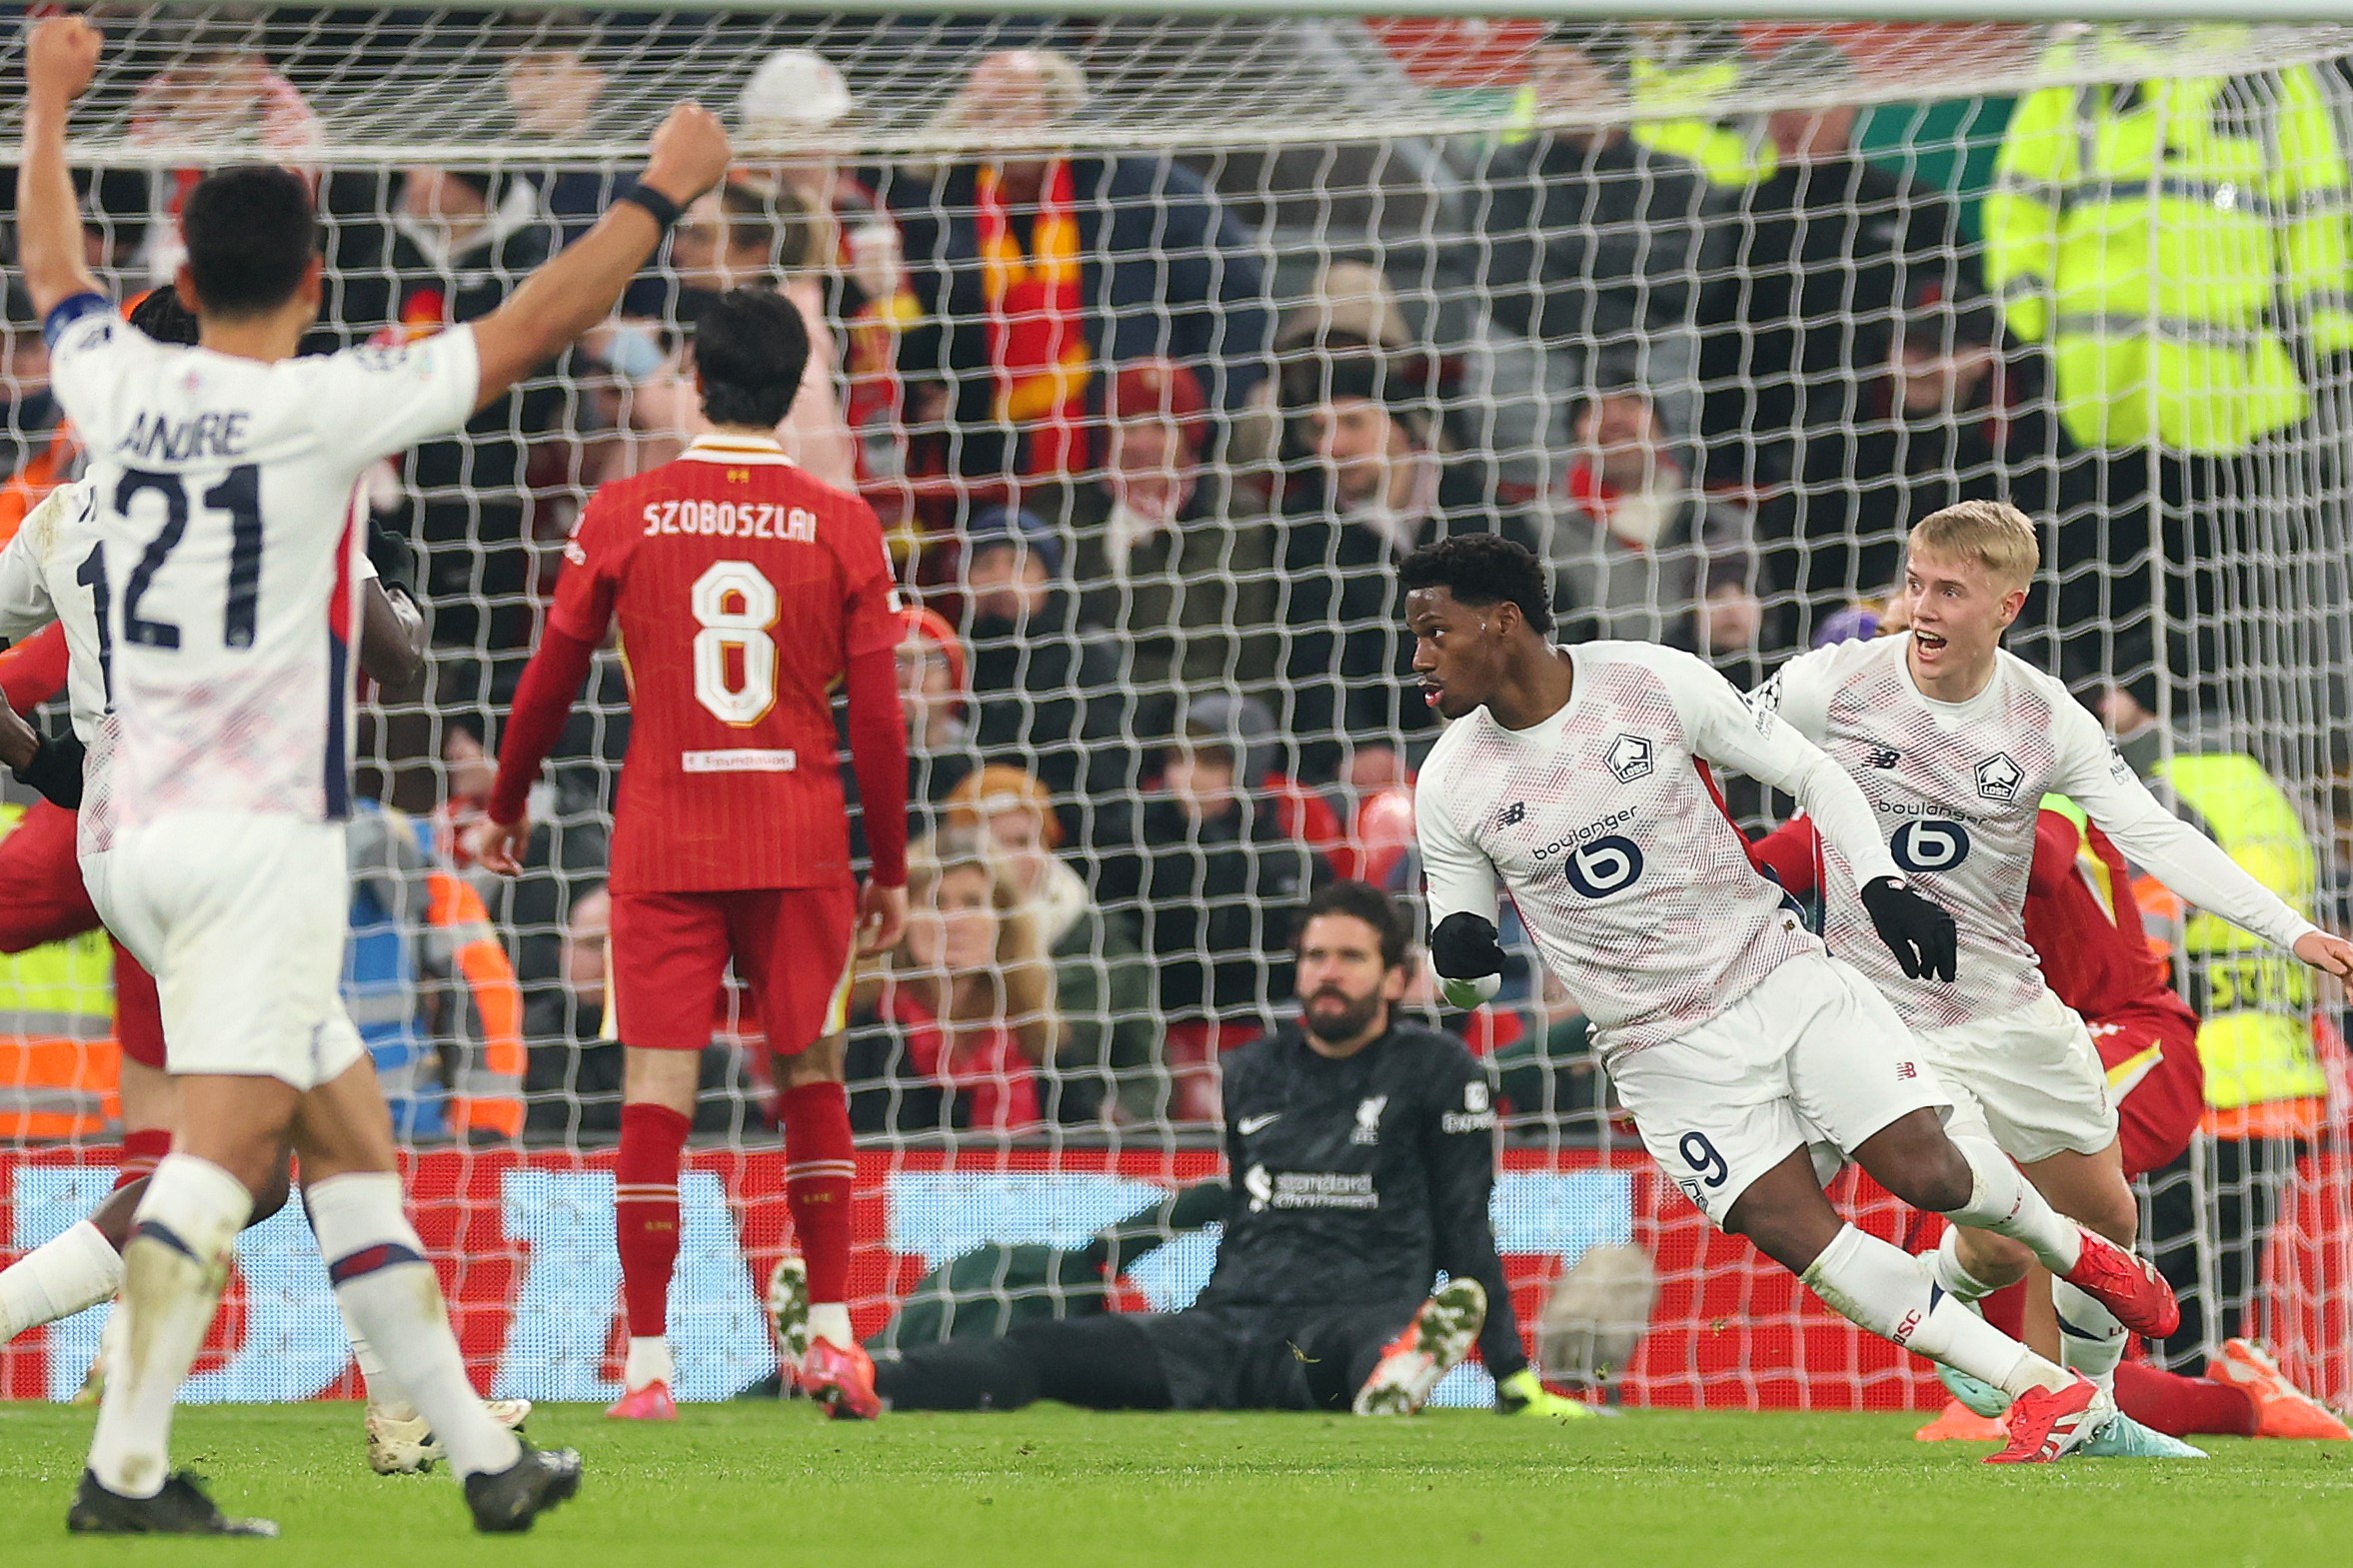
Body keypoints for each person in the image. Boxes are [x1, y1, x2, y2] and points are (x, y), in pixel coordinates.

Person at [17, 14, 728, 1533]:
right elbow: (539, 317)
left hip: (121, 825)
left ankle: (477, 1455)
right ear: (320, 282)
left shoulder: (112, 403)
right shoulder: (326, 408)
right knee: (225, 1164)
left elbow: (58, 272)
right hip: (246, 837)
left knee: (346, 1149)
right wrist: (660, 192)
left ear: (184, 284)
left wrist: (55, 105)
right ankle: (123, 1471)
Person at [1404, 532, 2179, 1466]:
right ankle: (2039, 1387)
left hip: (1778, 972)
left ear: (1503, 621)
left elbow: (1815, 772)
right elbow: (1468, 975)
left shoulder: (1651, 681)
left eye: (1433, 633)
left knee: (1932, 1174)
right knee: (1804, 1238)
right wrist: (1459, 958)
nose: (1418, 659)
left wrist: (1884, 883)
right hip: (1659, 1051)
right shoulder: (1450, 781)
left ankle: (2074, 1248)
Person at [0, 284, 527, 1480]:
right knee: (285, 1146)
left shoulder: (70, 512)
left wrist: (47, 761)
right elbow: (397, 664)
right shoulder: (273, 488)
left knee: (272, 1162)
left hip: (116, 836)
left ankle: (409, 1415)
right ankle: (425, 1424)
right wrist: (350, 534)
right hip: (223, 831)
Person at [1749, 500, 2353, 1452]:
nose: (1925, 608)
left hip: (2020, 1007)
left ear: (2007, 604)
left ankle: (2086, 1398)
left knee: (2103, 1216)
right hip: (1886, 1014)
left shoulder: (2041, 717)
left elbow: (2146, 831)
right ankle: (2047, 1386)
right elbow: (1709, 749)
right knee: (1992, 1206)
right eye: (1916, 585)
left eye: (1951, 589)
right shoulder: (1832, 685)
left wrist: (2290, 929)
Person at [470, 287, 910, 1427]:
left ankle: (649, 1367)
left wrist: (508, 803)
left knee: (657, 1095)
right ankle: (834, 1342)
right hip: (801, 833)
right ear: (798, 387)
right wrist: (893, 866)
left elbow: (549, 678)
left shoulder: (623, 511)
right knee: (809, 1076)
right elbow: (878, 720)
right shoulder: (841, 520)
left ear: (696, 383)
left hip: (664, 833)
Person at [869, 881, 1587, 1420]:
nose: (1326, 972)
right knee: (1037, 1350)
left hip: (1349, 1317)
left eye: (1348, 957)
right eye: (1314, 956)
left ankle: (1396, 1374)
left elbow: (1466, 1227)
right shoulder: (1253, 1071)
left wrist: (1510, 1372)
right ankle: (871, 1382)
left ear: (1397, 976)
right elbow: (1238, 1196)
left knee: (1366, 1352)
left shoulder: (1436, 1070)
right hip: (1223, 1326)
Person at [884, 48, 1273, 483]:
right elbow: (937, 328)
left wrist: (1198, 417)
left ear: (1058, 110)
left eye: (1017, 110)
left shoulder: (1143, 189)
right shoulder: (943, 203)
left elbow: (1236, 302)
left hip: (1137, 456)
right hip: (992, 460)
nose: (1002, 127)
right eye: (987, 111)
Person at [946, 765, 1154, 1123]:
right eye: (993, 843)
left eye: (1025, 842)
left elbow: (1148, 1074)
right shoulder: (928, 947)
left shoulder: (1110, 950)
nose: (1012, 858)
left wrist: (1116, 1116)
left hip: (1077, 1145)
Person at [843, 828, 1058, 1137]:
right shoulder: (862, 1030)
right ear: (902, 919)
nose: (953, 922)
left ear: (1004, 921)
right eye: (936, 903)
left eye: (972, 902)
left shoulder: (1037, 1033)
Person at [1536, 374, 1760, 657]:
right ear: (1574, 438)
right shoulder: (1540, 532)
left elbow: (1773, 635)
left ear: (1662, 427)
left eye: (1632, 403)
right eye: (1594, 409)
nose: (1615, 419)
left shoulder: (1725, 524)